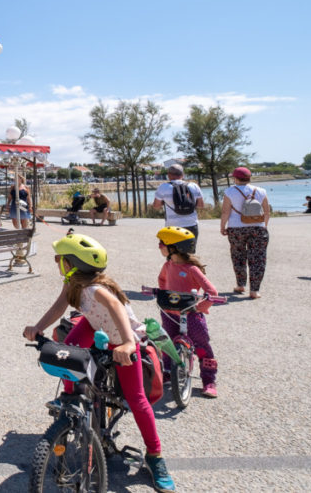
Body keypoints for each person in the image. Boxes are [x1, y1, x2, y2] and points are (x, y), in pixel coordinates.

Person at [23, 233, 175, 492]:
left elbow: (116, 307)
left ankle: (155, 456)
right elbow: (60, 307)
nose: (57, 261)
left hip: (122, 334)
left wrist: (128, 343)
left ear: (71, 264)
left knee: (136, 398)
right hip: (93, 325)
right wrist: (38, 327)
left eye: (60, 259)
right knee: (67, 355)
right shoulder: (73, 284)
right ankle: (71, 401)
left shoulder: (95, 288)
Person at [156, 227, 219, 398]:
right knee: (167, 342)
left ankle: (208, 380)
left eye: (162, 244)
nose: (159, 246)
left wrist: (202, 306)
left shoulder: (192, 269)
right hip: (169, 312)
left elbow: (211, 291)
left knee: (202, 345)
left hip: (190, 313)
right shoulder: (167, 265)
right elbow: (162, 279)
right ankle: (168, 371)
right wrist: (164, 294)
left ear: (174, 247)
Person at [220, 167, 271, 298]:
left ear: (235, 178)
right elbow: (266, 211)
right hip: (258, 228)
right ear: (249, 177)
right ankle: (254, 290)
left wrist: (222, 226)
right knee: (258, 258)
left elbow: (225, 211)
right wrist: (263, 226)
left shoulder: (229, 191)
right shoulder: (261, 191)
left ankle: (241, 285)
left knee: (238, 256)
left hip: (236, 228)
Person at [152, 164, 205, 251]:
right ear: (182, 175)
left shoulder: (163, 187)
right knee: (189, 254)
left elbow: (156, 206)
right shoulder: (194, 186)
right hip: (191, 224)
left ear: (169, 175)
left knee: (172, 255)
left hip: (172, 226)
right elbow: (201, 205)